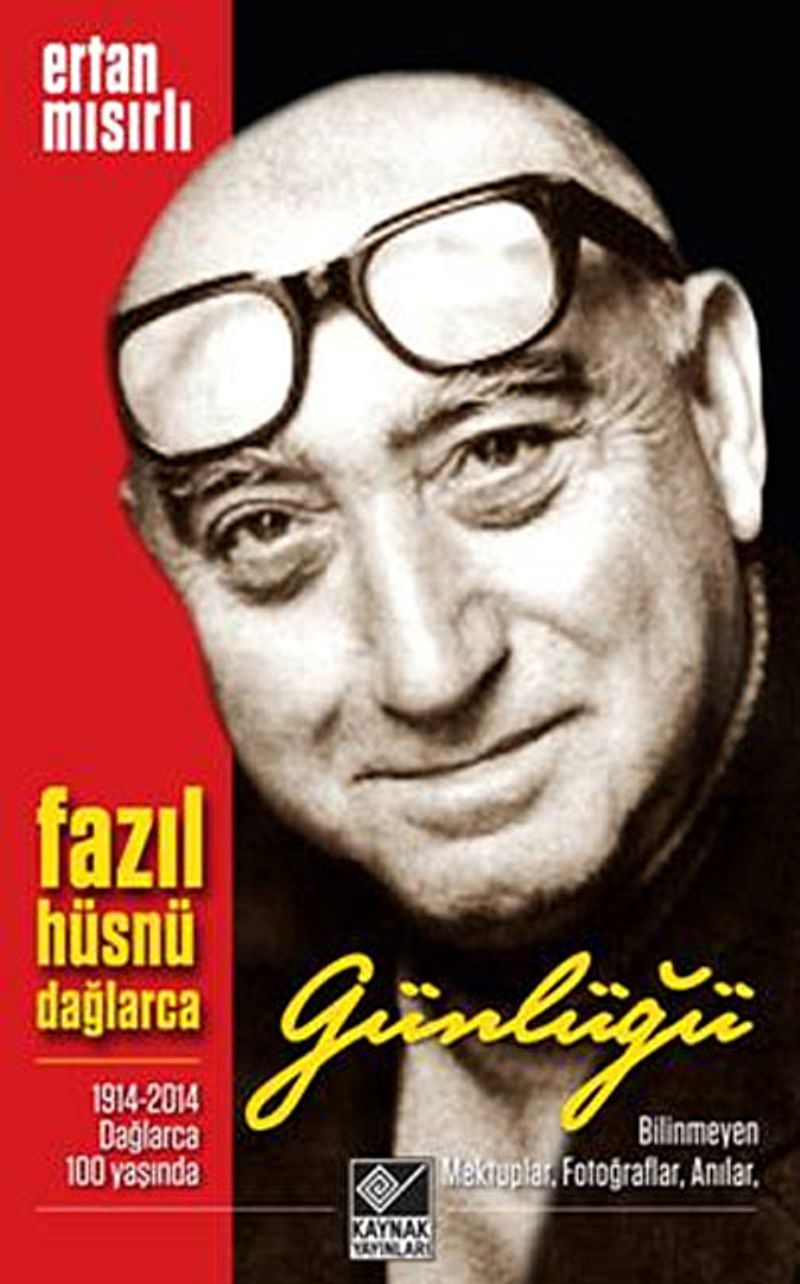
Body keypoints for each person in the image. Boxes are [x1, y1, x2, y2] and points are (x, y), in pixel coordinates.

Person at [110, 73, 799, 1283]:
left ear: (716, 406)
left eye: (500, 451)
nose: (427, 672)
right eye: (265, 526)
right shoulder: (126, 1042)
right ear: (166, 561)